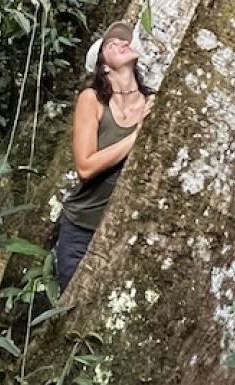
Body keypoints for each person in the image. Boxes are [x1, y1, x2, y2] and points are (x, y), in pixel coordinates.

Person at [54, 21, 155, 290]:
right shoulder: (92, 99)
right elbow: (85, 167)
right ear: (103, 65)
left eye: (126, 40)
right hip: (81, 229)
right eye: (113, 43)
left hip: (127, 233)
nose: (123, 43)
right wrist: (136, 136)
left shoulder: (154, 104)